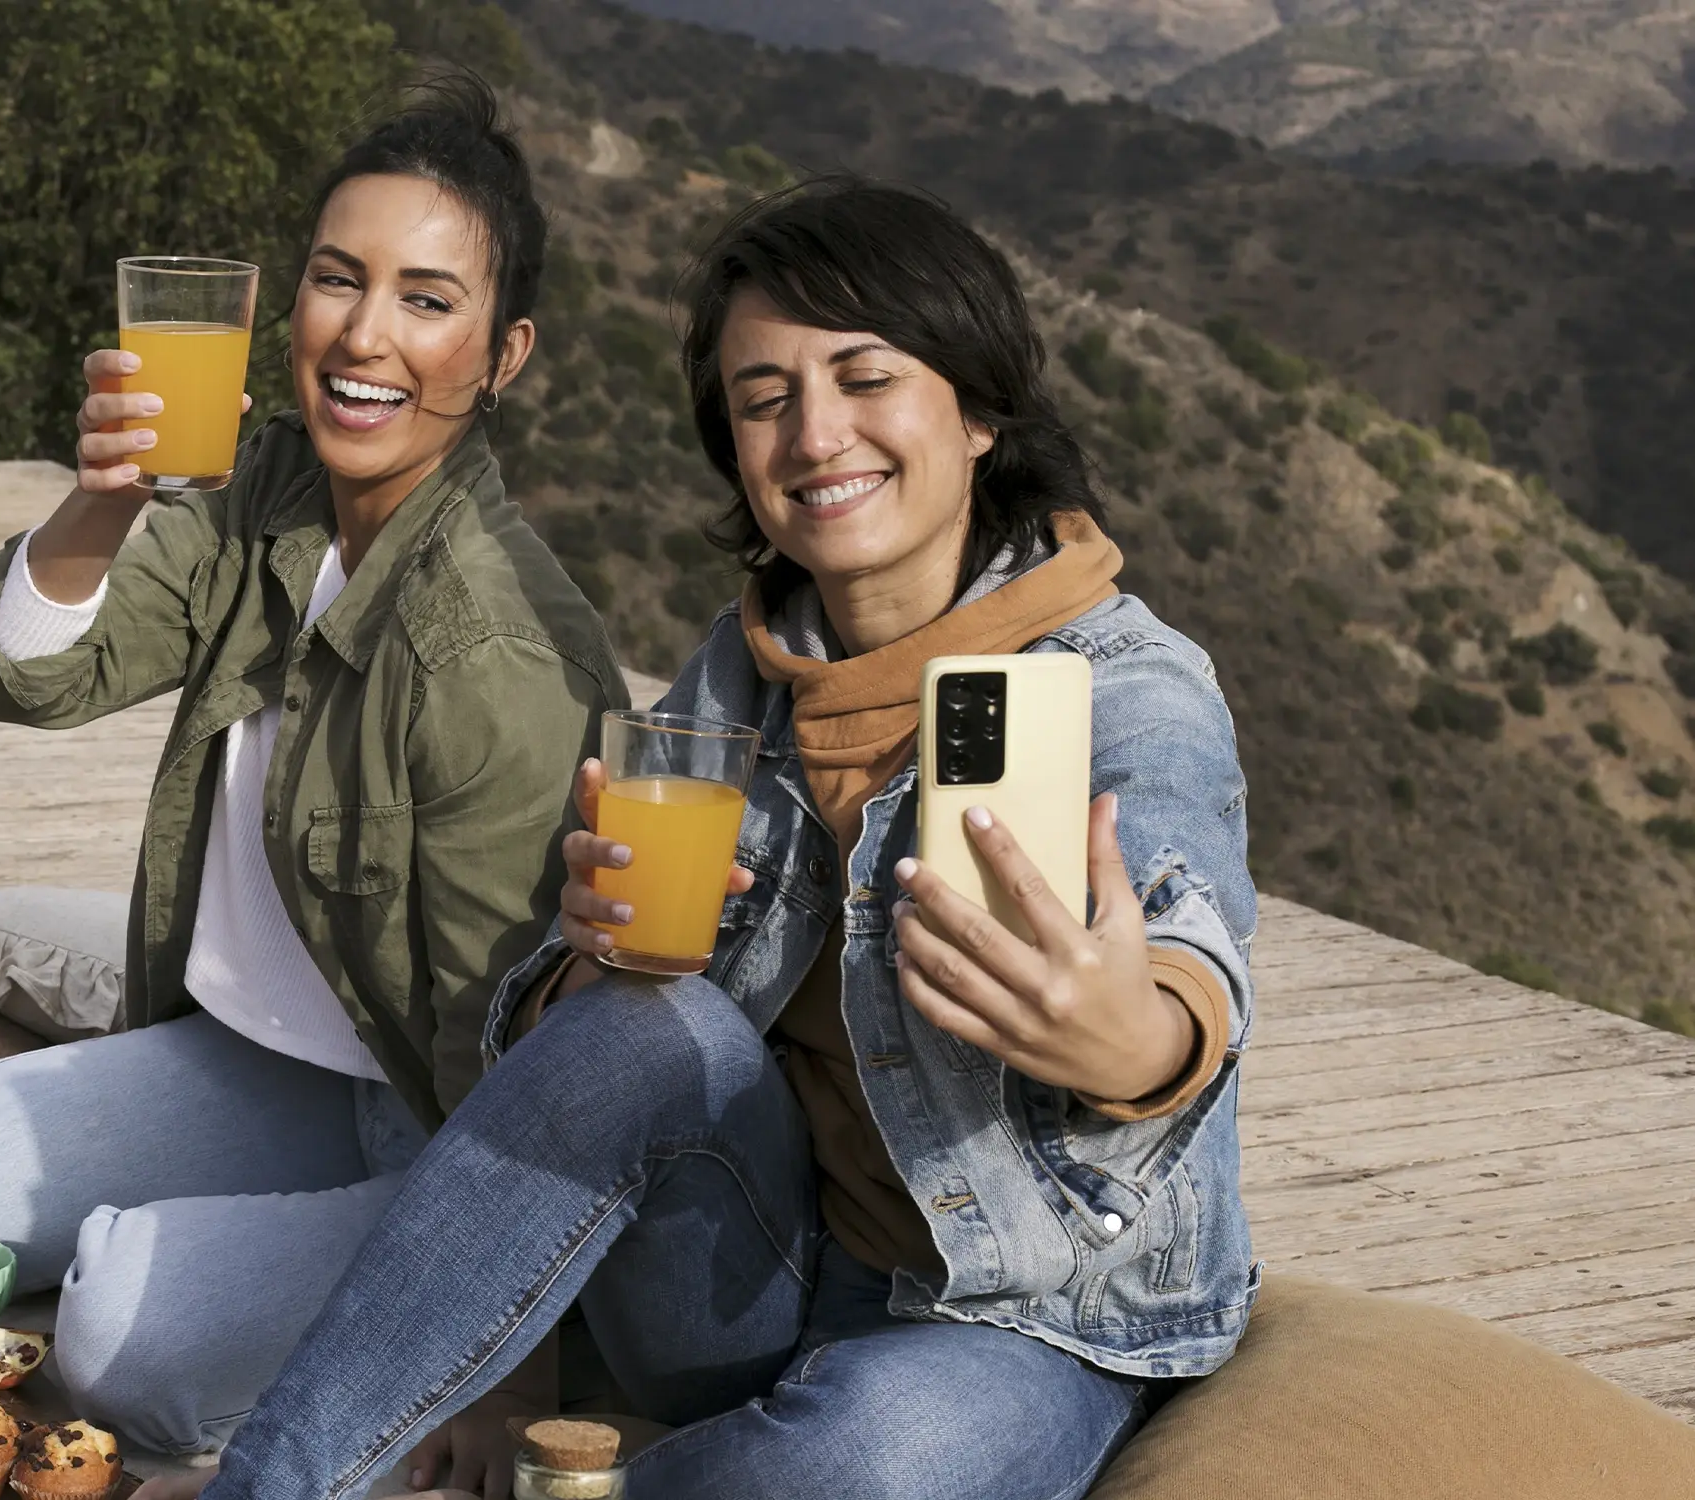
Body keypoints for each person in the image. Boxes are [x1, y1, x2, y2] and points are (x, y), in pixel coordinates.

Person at [172, 178, 1261, 1500]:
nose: (814, 435)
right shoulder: (744, 679)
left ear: (976, 411)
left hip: (1018, 1321)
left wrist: (1131, 1040)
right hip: (751, 1284)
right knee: (641, 1025)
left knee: (871, 1458)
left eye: (864, 379)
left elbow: (1185, 942)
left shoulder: (1122, 687)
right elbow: (588, 1057)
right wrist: (582, 965)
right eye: (763, 399)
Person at [0, 76, 627, 1454]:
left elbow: (516, 1054)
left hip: (427, 1132)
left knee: (113, 1341)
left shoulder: (491, 656)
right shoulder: (268, 493)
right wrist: (100, 496)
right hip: (259, 1064)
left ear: (502, 355)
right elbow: (26, 679)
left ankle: (245, 1281)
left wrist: (501, 1350)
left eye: (424, 299)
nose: (364, 333)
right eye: (339, 280)